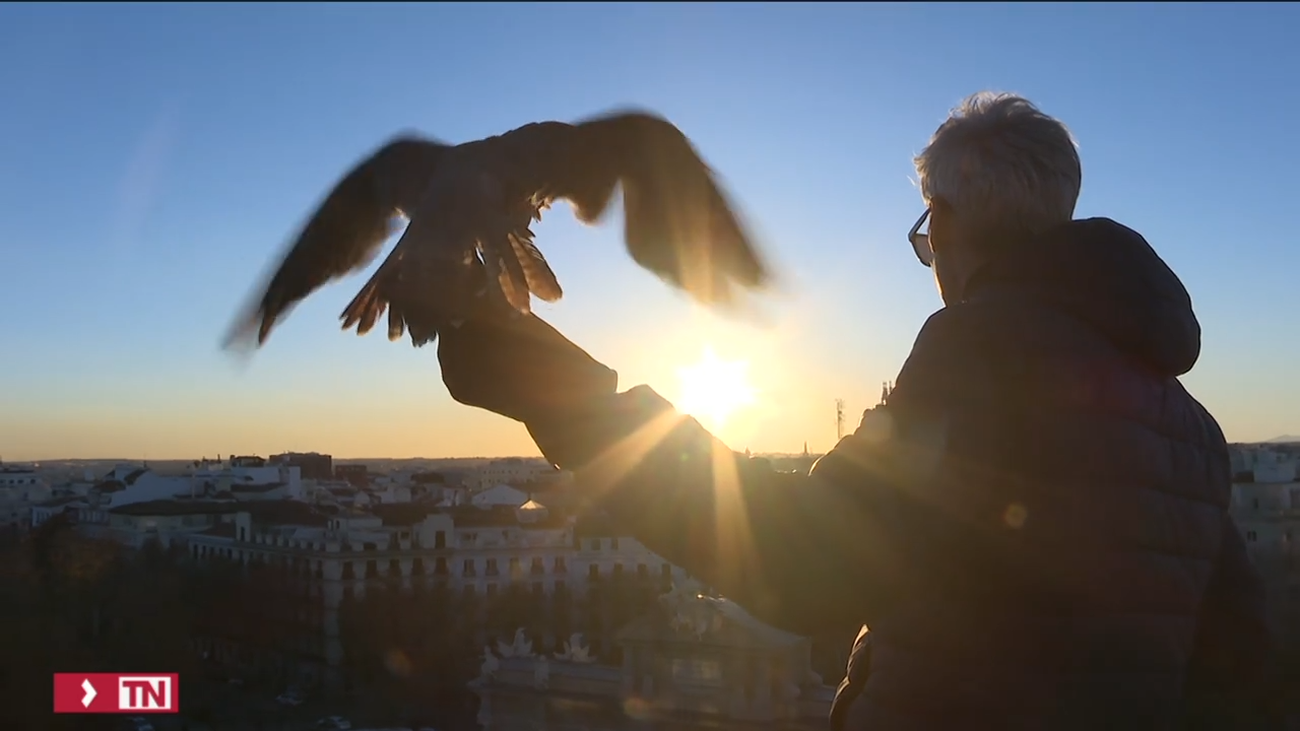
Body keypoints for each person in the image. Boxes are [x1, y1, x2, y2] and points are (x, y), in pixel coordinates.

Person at [436, 92, 1278, 730]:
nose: (931, 260)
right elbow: (1240, 668)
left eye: (924, 235)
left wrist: (551, 387)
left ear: (944, 223)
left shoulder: (978, 351)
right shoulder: (1190, 425)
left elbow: (797, 554)